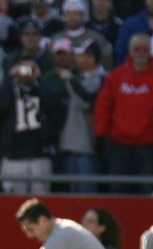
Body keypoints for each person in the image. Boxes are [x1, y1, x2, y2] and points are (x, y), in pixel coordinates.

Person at [93, 33, 153, 180]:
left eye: (145, 49)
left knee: (146, 189)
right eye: (137, 49)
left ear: (150, 52)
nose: (141, 53)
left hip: (148, 145)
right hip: (118, 144)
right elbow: (103, 107)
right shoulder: (116, 76)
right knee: (119, 190)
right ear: (130, 51)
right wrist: (100, 134)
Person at [0, 58, 66, 195]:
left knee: (41, 200)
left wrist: (39, 79)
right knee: (13, 203)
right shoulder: (9, 89)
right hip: (13, 155)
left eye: (29, 68)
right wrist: (10, 78)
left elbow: (53, 104)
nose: (25, 72)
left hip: (40, 154)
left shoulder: (42, 88)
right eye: (22, 68)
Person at [58, 41, 106, 192]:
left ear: (91, 58)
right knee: (73, 195)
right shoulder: (79, 76)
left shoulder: (102, 79)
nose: (76, 58)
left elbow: (87, 102)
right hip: (71, 145)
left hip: (87, 146)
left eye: (81, 55)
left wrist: (70, 80)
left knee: (86, 193)